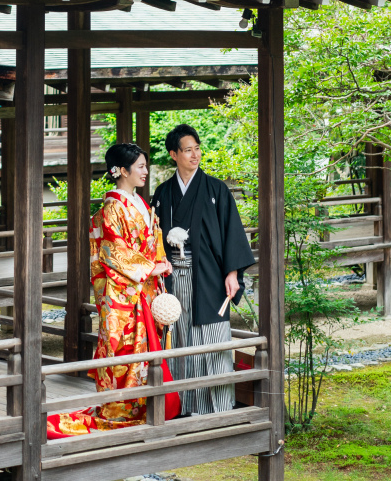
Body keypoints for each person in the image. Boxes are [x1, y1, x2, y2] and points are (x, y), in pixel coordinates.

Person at [46, 142, 173, 437]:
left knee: (147, 347)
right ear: (123, 171)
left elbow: (153, 241)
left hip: (144, 289)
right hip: (124, 293)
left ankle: (145, 406)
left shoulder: (139, 203)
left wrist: (161, 262)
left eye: (145, 166)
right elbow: (112, 251)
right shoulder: (113, 207)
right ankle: (121, 409)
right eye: (140, 166)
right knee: (125, 346)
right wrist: (150, 268)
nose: (145, 171)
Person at [151, 123, 255, 416]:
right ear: (174, 154)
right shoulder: (163, 193)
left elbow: (231, 232)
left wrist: (232, 273)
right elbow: (151, 238)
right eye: (188, 150)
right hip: (172, 277)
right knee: (177, 336)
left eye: (197, 149)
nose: (195, 155)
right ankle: (181, 407)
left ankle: (218, 409)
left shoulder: (216, 190)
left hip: (209, 278)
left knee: (211, 336)